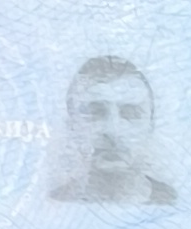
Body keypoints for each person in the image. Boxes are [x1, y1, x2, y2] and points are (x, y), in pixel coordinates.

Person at [50, 54, 174, 206]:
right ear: (72, 125)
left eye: (130, 113)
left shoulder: (174, 203)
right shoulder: (53, 203)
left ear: (150, 125)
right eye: (95, 112)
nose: (113, 131)